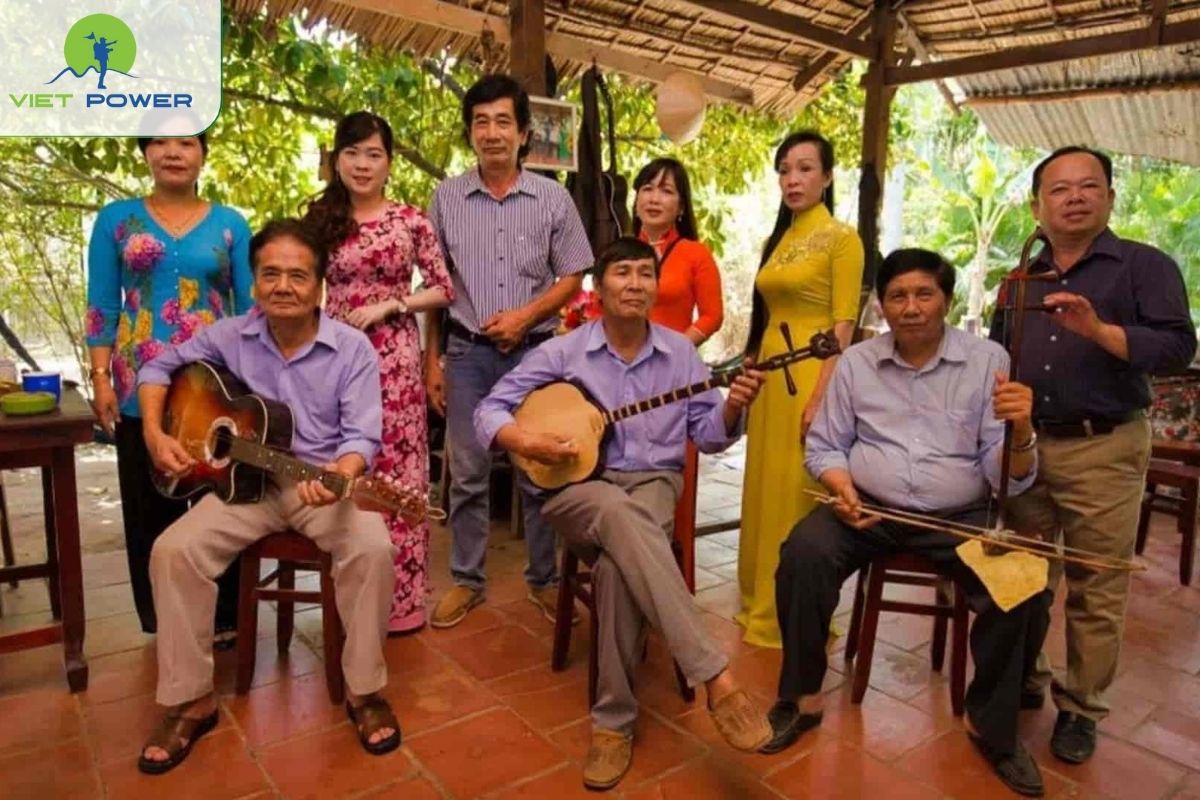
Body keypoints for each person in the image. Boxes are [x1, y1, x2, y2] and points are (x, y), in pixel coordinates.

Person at [474, 237, 771, 790]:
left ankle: (611, 725)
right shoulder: (564, 352)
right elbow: (490, 408)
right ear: (599, 286)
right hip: (575, 489)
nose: (635, 284)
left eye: (645, 274)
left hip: (655, 483)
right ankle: (717, 676)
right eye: (622, 274)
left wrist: (732, 408)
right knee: (612, 507)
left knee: (614, 567)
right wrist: (527, 442)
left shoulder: (681, 354)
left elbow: (706, 437)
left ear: (656, 288)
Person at [769, 248, 1048, 797]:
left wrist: (1025, 434)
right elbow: (825, 446)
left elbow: (1007, 477)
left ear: (945, 300)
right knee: (803, 555)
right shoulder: (856, 362)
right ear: (883, 303)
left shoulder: (988, 359)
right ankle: (799, 697)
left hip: (958, 515)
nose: (911, 307)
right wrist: (842, 488)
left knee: (1023, 590)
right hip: (867, 506)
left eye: (924, 294)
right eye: (898, 295)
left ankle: (991, 725)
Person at [134, 220, 400, 773]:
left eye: (298, 275)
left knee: (372, 548)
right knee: (172, 551)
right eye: (270, 274)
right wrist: (156, 434)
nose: (284, 286)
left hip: (318, 483)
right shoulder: (227, 336)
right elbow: (157, 365)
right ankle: (191, 699)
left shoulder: (352, 349)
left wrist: (339, 473)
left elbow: (361, 439)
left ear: (320, 287)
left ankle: (365, 692)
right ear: (253, 284)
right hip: (243, 486)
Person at [990, 146, 1196, 765]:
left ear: (1109, 196)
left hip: (1104, 444)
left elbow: (1179, 348)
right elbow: (996, 358)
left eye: (1088, 186)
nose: (1074, 196)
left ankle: (1080, 707)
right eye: (1059, 188)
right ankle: (1027, 678)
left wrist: (1100, 332)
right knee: (1023, 577)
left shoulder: (1143, 266)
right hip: (1027, 446)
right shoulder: (1018, 278)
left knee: (1096, 584)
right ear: (1037, 204)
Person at [424, 74, 594, 628]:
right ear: (469, 133)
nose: (491, 132)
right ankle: (467, 581)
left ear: (524, 134)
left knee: (537, 465)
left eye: (503, 122)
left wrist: (525, 317)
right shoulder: (446, 198)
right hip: (467, 353)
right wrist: (433, 360)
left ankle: (542, 581)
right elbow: (435, 286)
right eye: (480, 122)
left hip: (535, 355)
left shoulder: (552, 198)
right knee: (468, 472)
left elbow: (574, 276)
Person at [86, 132, 252, 645]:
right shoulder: (116, 220)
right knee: (149, 503)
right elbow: (102, 305)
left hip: (216, 386)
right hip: (139, 385)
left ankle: (226, 616)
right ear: (144, 153)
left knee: (222, 498)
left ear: (204, 151)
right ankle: (164, 620)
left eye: (186, 142)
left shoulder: (231, 225)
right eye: (159, 142)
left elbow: (249, 310)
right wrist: (99, 378)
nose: (173, 152)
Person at [303, 111, 453, 634]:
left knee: (401, 477)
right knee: (349, 471)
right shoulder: (319, 220)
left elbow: (444, 288)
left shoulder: (411, 220)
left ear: (389, 162)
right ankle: (350, 600)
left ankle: (402, 605)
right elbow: (303, 290)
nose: (362, 164)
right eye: (352, 152)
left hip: (394, 360)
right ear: (335, 159)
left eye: (374, 154)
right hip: (334, 360)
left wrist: (393, 305)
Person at [736, 131, 864, 648]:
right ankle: (756, 601)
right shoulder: (781, 238)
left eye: (806, 168)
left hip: (810, 376)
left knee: (795, 489)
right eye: (786, 170)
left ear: (828, 177)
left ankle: (789, 610)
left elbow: (843, 327)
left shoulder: (842, 239)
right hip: (770, 374)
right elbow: (766, 312)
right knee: (764, 486)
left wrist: (820, 397)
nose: (794, 179)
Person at [632, 157, 723, 346]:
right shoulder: (618, 252)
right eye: (647, 189)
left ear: (681, 206)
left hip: (673, 366)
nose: (654, 199)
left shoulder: (696, 253)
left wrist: (677, 350)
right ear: (636, 200)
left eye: (666, 191)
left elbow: (712, 316)